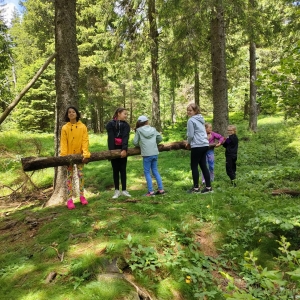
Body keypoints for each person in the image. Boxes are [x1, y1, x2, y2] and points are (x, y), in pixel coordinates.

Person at [60, 106, 90, 209]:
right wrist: (64, 157)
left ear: (76, 114)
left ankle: (82, 196)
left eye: (73, 112)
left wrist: (86, 154)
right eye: (69, 112)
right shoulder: (65, 128)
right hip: (68, 157)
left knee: (81, 175)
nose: (71, 113)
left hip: (80, 156)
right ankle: (69, 200)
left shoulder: (83, 127)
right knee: (69, 177)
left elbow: (85, 141)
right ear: (67, 115)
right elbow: (63, 142)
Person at [133, 115, 165, 196]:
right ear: (147, 122)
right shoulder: (153, 129)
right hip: (154, 152)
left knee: (147, 172)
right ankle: (161, 190)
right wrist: (154, 144)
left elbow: (135, 142)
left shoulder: (139, 130)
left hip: (146, 154)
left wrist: (140, 145)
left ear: (139, 123)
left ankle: (150, 191)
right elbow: (160, 139)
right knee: (155, 171)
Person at [186, 103, 212, 193]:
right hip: (205, 144)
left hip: (197, 145)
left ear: (195, 111)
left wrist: (188, 143)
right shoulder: (201, 119)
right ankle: (208, 187)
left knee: (194, 166)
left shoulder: (191, 120)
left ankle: (196, 188)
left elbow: (191, 135)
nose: (188, 112)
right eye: (188, 110)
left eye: (190, 110)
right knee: (203, 165)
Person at [106, 107, 131, 199]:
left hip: (122, 149)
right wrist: (111, 151)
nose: (126, 116)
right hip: (113, 149)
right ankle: (116, 190)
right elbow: (111, 138)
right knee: (115, 170)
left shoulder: (126, 125)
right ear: (118, 113)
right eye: (125, 114)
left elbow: (125, 137)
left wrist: (124, 149)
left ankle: (124, 190)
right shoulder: (110, 124)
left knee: (123, 169)